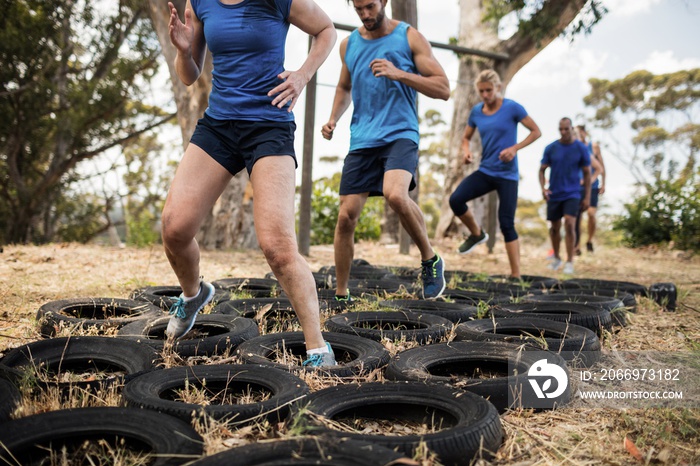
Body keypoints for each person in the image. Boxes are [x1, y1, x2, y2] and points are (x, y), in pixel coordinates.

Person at [161, 0, 337, 367]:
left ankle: (319, 349)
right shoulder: (202, 3)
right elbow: (189, 74)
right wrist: (182, 50)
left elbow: (326, 30)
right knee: (174, 229)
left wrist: (303, 74)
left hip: (269, 126)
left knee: (277, 246)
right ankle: (193, 295)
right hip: (220, 126)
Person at [321, 0, 450, 300]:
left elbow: (443, 88)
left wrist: (399, 73)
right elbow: (344, 87)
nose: (365, 14)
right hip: (363, 139)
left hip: (400, 134)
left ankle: (430, 260)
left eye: (370, 7)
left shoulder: (408, 37)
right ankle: (341, 294)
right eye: (358, 9)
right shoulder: (348, 45)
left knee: (395, 194)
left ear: (384, 2)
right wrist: (332, 119)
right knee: (345, 217)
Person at [448, 69, 541, 278]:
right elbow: (466, 138)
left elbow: (536, 131)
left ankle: (515, 275)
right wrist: (466, 151)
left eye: (489, 90)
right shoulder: (476, 112)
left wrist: (515, 148)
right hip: (486, 171)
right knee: (456, 200)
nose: (485, 95)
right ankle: (477, 233)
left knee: (506, 223)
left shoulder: (512, 108)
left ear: (498, 88)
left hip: (507, 176)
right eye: (481, 91)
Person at [539, 118, 592, 275]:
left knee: (569, 224)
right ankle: (556, 257)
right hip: (555, 193)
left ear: (571, 129)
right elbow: (541, 170)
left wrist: (587, 197)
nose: (563, 132)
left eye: (566, 129)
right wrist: (543, 188)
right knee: (555, 228)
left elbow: (587, 174)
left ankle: (570, 260)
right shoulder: (551, 148)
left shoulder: (581, 148)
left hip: (573, 193)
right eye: (560, 129)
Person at [574, 125, 606, 254]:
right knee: (577, 216)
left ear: (584, 133)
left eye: (580, 132)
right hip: (577, 187)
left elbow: (601, 167)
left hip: (592, 186)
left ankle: (589, 241)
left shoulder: (593, 147)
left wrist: (602, 183)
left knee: (591, 213)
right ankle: (576, 246)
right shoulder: (573, 147)